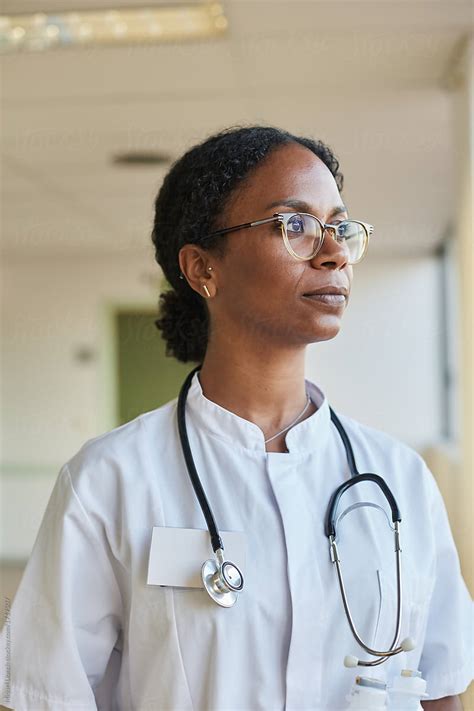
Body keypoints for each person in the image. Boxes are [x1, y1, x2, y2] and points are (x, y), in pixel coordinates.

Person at [0, 125, 472, 710]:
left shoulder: (399, 480)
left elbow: (438, 686)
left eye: (339, 227)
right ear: (202, 268)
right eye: (293, 225)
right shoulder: (108, 480)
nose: (333, 253)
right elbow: (49, 694)